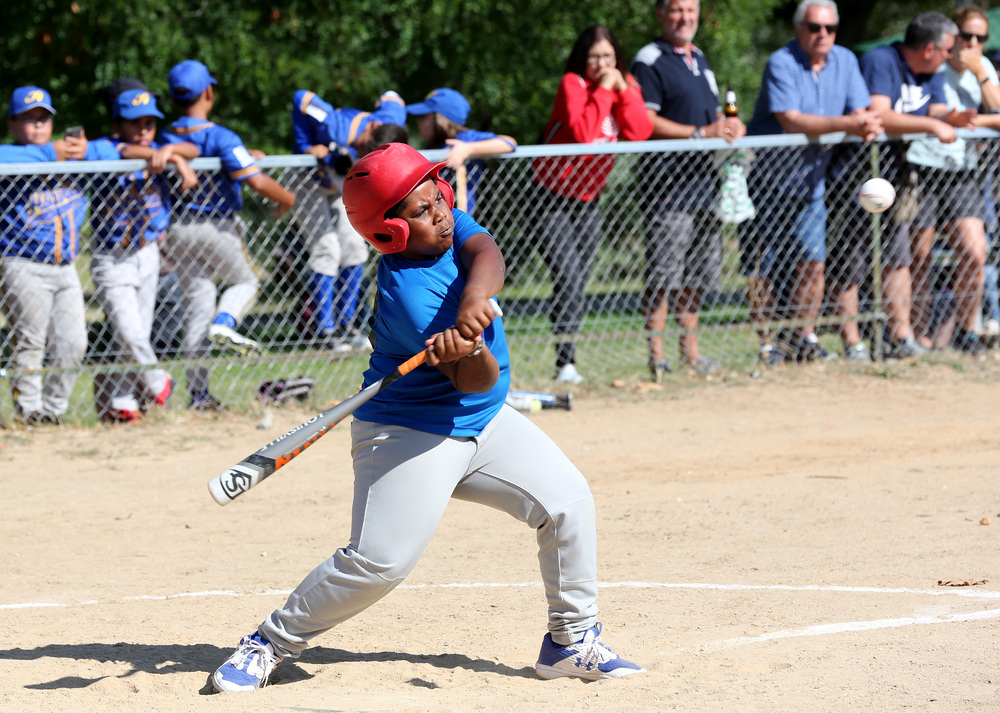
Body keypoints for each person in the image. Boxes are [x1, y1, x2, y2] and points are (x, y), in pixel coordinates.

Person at [210, 143, 644, 692]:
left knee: (568, 502)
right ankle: (268, 642)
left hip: (482, 421)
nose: (439, 208)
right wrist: (468, 350)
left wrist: (473, 304)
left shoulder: (443, 221)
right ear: (389, 231)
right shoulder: (410, 297)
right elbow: (476, 378)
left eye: (437, 194)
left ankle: (569, 643)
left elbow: (485, 249)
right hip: (409, 433)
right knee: (378, 563)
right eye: (419, 209)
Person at [744, 0, 882, 364]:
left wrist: (865, 122)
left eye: (830, 28)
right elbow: (791, 121)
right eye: (814, 27)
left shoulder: (846, 61)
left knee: (813, 263)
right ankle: (768, 345)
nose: (823, 35)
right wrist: (851, 125)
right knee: (764, 268)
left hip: (812, 184)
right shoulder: (782, 62)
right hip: (769, 182)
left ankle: (804, 337)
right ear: (798, 27)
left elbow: (860, 110)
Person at [830, 12, 967, 359]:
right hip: (858, 172)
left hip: (896, 175)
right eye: (948, 50)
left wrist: (950, 119)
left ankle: (901, 335)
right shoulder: (882, 61)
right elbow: (880, 113)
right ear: (930, 49)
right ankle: (853, 341)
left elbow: (935, 110)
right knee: (852, 260)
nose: (950, 57)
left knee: (898, 257)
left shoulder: (931, 72)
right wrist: (934, 127)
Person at [162, 59, 295, 409]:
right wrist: (287, 198)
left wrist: (243, 156)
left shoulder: (165, 136)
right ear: (209, 92)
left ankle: (199, 395)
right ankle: (226, 321)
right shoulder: (220, 135)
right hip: (218, 226)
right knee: (246, 282)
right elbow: (255, 180)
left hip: (178, 228)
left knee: (197, 308)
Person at [531, 25, 653, 384]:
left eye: (608, 57)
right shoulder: (574, 84)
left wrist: (625, 90)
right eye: (595, 57)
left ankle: (566, 358)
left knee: (579, 279)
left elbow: (640, 132)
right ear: (582, 60)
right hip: (550, 196)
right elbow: (583, 134)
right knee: (567, 275)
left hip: (588, 199)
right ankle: (565, 361)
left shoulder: (622, 86)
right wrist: (603, 89)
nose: (602, 64)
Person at [631, 0, 744, 379]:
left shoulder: (700, 58)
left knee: (696, 274)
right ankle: (657, 357)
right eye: (677, 10)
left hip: (704, 185)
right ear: (661, 14)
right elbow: (645, 121)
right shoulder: (649, 59)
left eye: (691, 10)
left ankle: (691, 354)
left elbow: (714, 115)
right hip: (668, 186)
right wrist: (701, 133)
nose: (685, 17)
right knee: (665, 274)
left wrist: (727, 127)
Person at [88, 88, 198, 423]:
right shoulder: (105, 147)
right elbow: (121, 150)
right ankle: (158, 381)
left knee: (137, 333)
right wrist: (167, 158)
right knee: (130, 333)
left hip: (147, 252)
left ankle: (124, 405)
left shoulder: (159, 144)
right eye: (134, 122)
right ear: (117, 123)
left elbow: (193, 147)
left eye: (149, 123)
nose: (143, 129)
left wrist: (172, 152)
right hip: (112, 257)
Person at [0, 87, 102, 425]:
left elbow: (115, 150)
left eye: (43, 119)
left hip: (65, 266)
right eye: (29, 120)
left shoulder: (70, 155)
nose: (38, 126)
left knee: (74, 342)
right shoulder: (13, 156)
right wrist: (47, 153)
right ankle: (28, 411)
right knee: (29, 341)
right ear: (13, 124)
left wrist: (81, 149)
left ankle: (53, 410)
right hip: (22, 264)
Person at [906, 5, 1000, 356]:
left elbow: (998, 112)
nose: (972, 43)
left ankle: (967, 330)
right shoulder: (934, 65)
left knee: (975, 251)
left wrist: (979, 73)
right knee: (920, 255)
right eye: (966, 36)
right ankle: (918, 336)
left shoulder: (983, 68)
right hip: (924, 165)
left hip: (964, 170)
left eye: (981, 38)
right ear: (952, 36)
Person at [291, 88, 407, 351]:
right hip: (305, 179)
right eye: (367, 148)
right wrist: (304, 145)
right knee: (327, 248)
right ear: (373, 127)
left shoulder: (390, 122)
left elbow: (392, 97)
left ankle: (347, 323)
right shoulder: (335, 124)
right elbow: (302, 98)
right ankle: (325, 329)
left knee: (355, 247)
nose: (365, 154)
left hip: (335, 181)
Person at [406, 87, 517, 216]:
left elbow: (509, 143)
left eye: (423, 117)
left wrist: (467, 149)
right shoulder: (431, 147)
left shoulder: (466, 139)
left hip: (458, 218)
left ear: (440, 119)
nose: (418, 121)